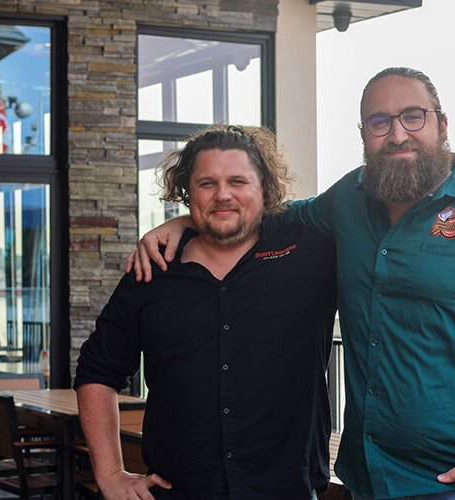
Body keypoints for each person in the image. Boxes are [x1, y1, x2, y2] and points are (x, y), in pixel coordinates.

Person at [129, 68, 455, 500]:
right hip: (372, 479)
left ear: (442, 123)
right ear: (364, 134)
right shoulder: (348, 199)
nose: (397, 134)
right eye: (379, 122)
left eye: (412, 116)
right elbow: (261, 211)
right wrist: (188, 220)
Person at [74, 125, 339, 500]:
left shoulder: (309, 254)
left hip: (287, 491)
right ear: (185, 191)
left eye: (237, 181)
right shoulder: (153, 271)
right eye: (207, 184)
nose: (223, 195)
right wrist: (111, 473)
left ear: (264, 187)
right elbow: (96, 371)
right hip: (177, 492)